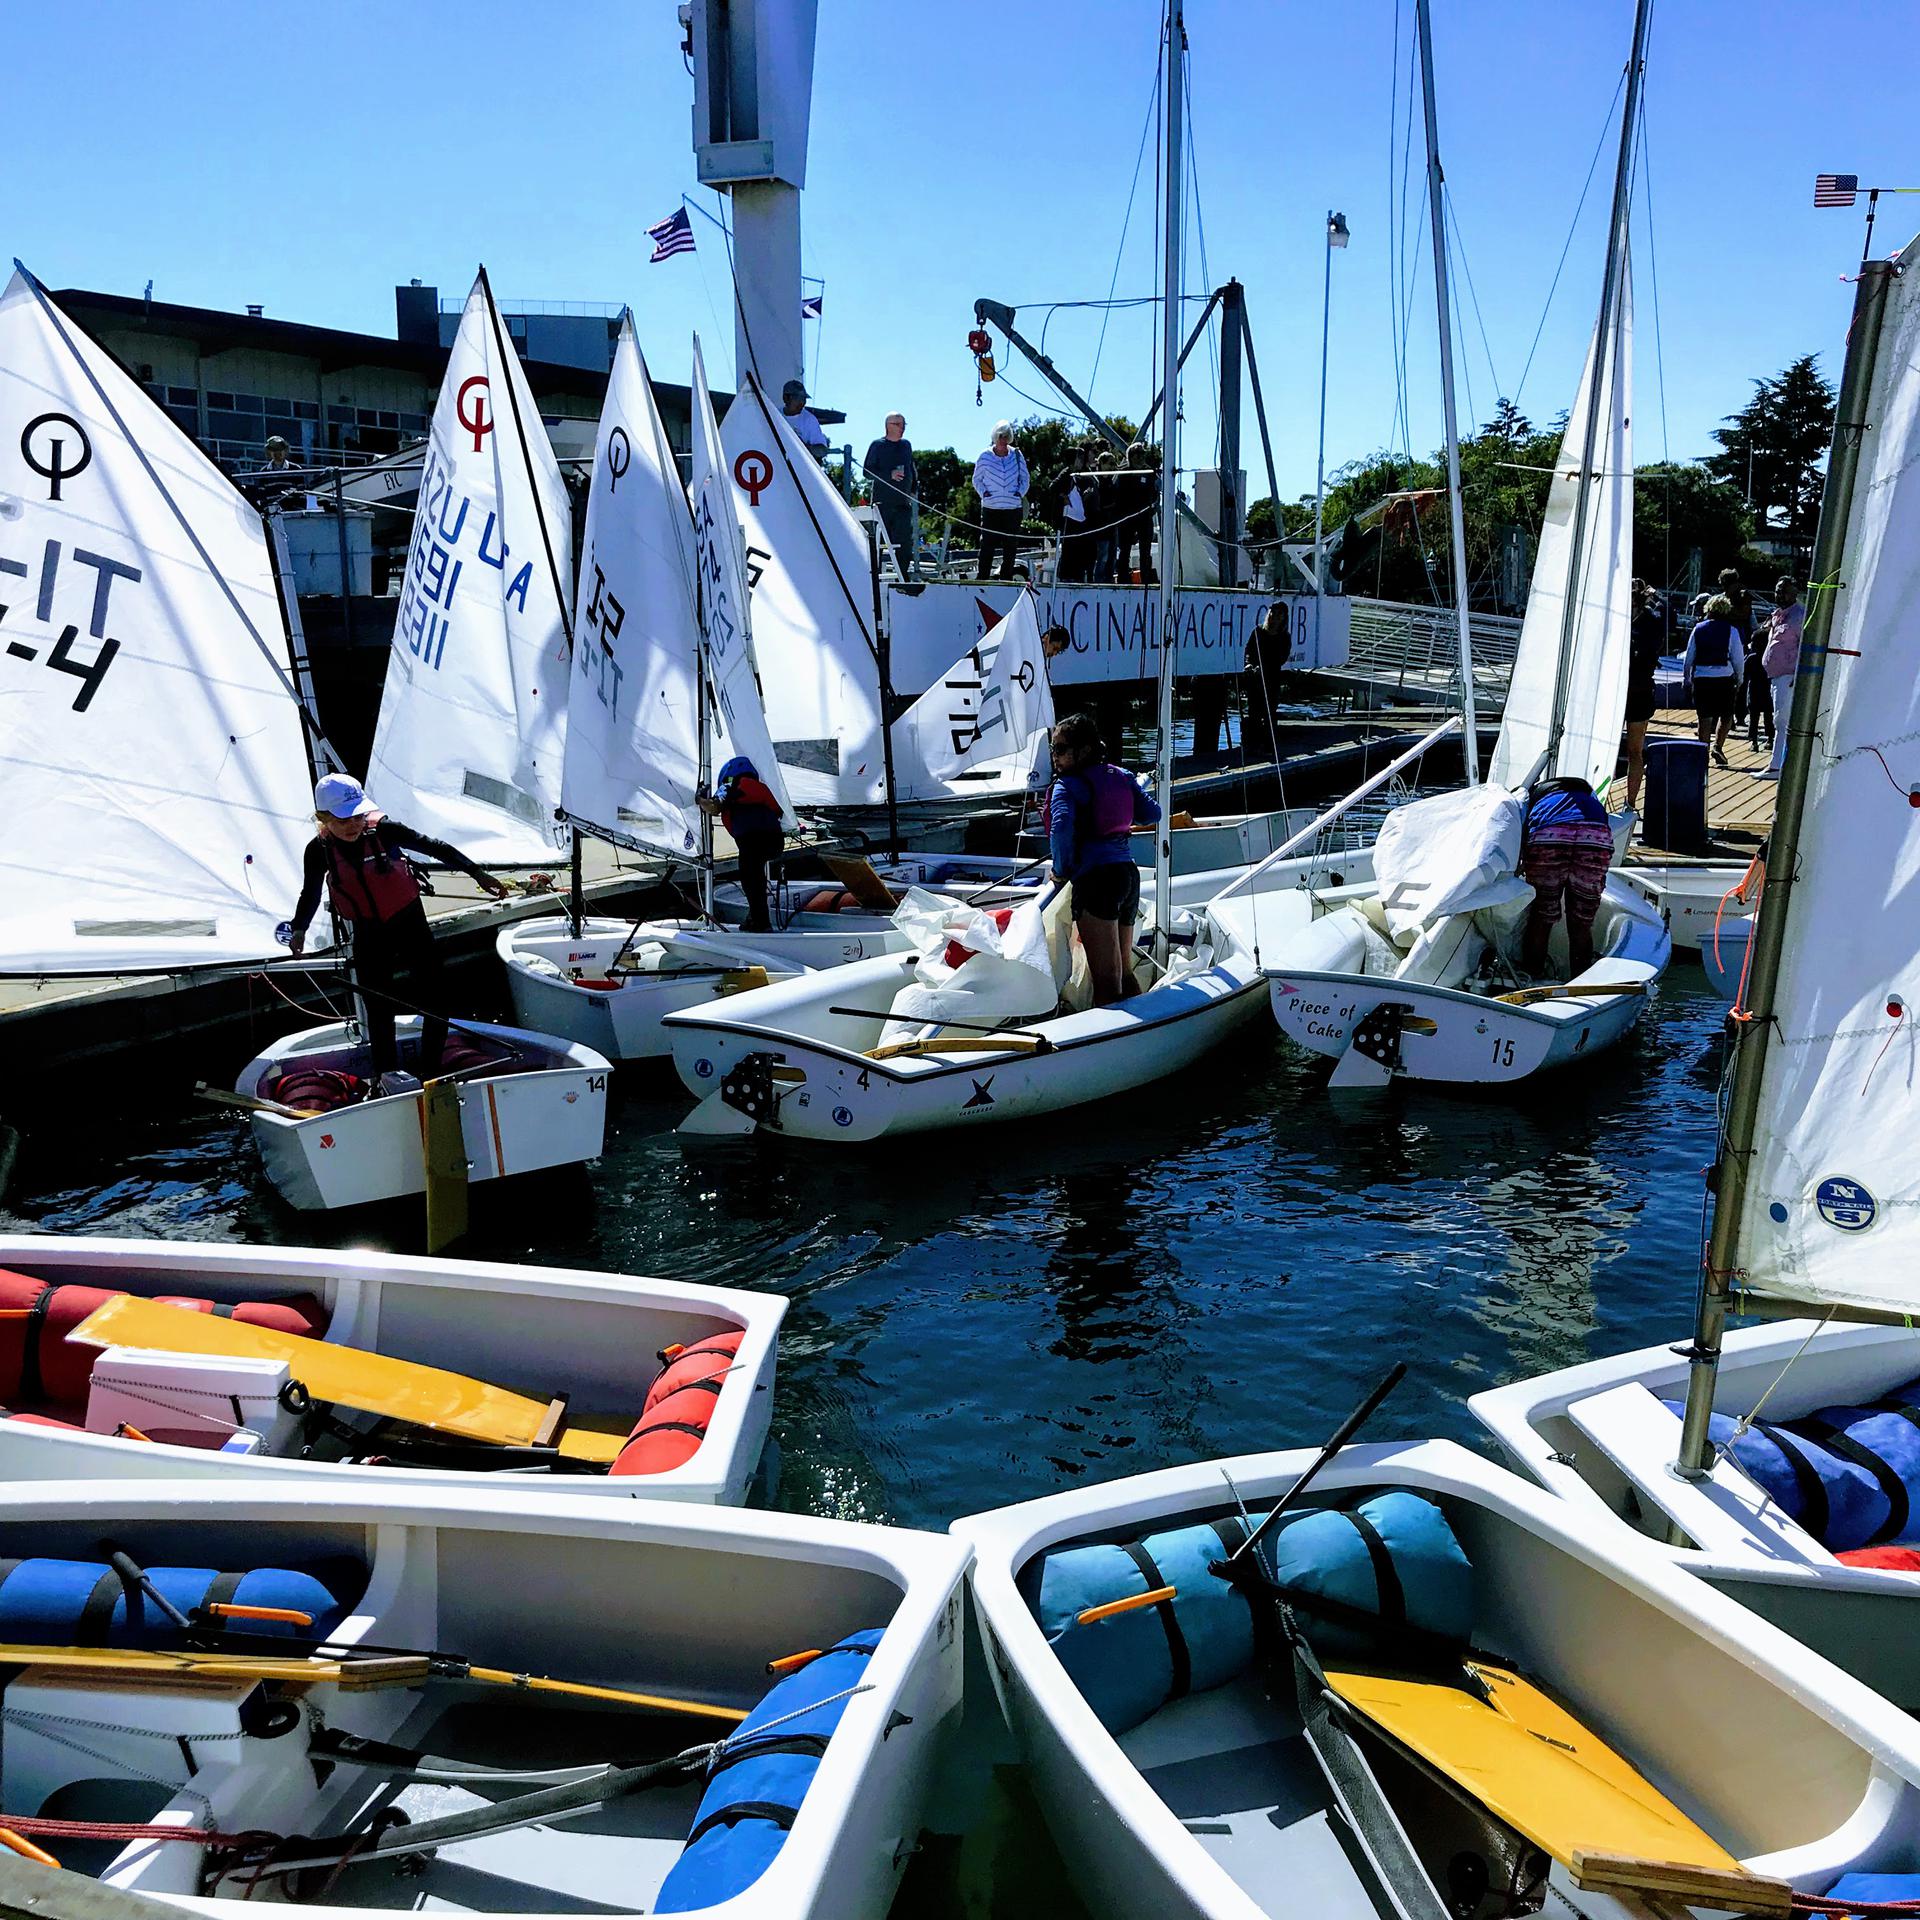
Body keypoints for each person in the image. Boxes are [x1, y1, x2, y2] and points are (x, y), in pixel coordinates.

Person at [287, 774, 509, 1088]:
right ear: (323, 818)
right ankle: (387, 1075)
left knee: (435, 998)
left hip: (409, 922)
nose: (354, 824)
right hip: (368, 931)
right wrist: (299, 930)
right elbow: (310, 892)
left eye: (359, 815)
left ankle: (432, 1071)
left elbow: (436, 847)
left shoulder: (385, 831)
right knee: (378, 1006)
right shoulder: (318, 850)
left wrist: (478, 873)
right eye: (344, 819)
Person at [1045, 712, 1161, 1006]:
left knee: (1106, 983)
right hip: (1127, 876)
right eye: (1052, 750)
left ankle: (1118, 1043)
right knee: (1122, 971)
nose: (1054, 757)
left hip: (1097, 881)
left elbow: (1059, 828)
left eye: (1060, 749)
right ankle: (1145, 1030)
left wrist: (1060, 872)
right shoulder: (1121, 776)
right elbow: (1153, 814)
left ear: (1082, 751)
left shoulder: (1067, 786)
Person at [1518, 775, 1615, 979]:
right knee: (1581, 922)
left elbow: (1521, 838)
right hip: (1595, 835)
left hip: (1549, 833)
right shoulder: (1591, 800)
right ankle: (1581, 982)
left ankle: (1531, 977)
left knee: (1541, 916)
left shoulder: (1534, 798)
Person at [700, 756, 787, 933]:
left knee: (750, 879)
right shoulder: (761, 788)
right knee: (756, 878)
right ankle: (758, 919)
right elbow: (779, 810)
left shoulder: (731, 786)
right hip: (775, 842)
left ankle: (760, 922)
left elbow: (714, 807)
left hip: (753, 842)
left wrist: (699, 799)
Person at [1683, 592, 1745, 766]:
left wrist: (1686, 678)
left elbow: (1689, 657)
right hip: (1724, 677)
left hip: (1702, 678)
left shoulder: (1698, 629)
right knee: (1726, 715)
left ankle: (1702, 750)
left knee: (1704, 717)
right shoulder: (1731, 631)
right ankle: (1718, 746)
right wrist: (1739, 679)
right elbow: (1738, 658)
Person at [1621, 577, 1663, 810]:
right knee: (1634, 750)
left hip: (1633, 690)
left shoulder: (1633, 623)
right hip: (1637, 689)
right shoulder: (1651, 622)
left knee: (1634, 750)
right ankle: (1630, 803)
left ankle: (1630, 802)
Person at [1758, 576, 1805, 780]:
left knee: (1782, 721)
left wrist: (1800, 675)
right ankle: (1777, 764)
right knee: (1779, 720)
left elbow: (1805, 647)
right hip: (1776, 677)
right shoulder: (1777, 615)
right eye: (1777, 590)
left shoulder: (1799, 616)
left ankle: (1777, 766)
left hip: (1789, 676)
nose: (1779, 595)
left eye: (1784, 591)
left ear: (1795, 593)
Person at [972, 421, 1030, 580]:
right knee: (987, 545)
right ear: (995, 438)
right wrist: (985, 494)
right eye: (1000, 437)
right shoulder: (984, 456)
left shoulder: (1017, 455)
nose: (1003, 440)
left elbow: (1025, 478)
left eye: (1006, 437)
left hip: (1012, 508)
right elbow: (977, 480)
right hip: (991, 508)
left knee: (1010, 546)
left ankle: (1006, 577)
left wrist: (1019, 493)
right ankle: (982, 577)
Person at [862, 413, 916, 575]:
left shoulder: (906, 445)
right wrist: (889, 474)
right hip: (882, 503)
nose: (902, 428)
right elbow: (867, 471)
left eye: (904, 424)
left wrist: (913, 488)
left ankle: (902, 577)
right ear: (889, 426)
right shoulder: (877, 445)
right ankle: (874, 576)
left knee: (904, 543)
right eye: (899, 424)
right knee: (877, 542)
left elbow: (911, 467)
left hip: (902, 502)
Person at [1241, 604, 1293, 763]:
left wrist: (1262, 667)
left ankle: (1269, 747)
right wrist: (1249, 664)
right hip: (1255, 679)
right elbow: (1249, 651)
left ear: (1284, 618)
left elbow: (1281, 658)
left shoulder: (1284, 637)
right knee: (1253, 712)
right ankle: (1251, 746)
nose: (1275, 616)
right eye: (1273, 613)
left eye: (1279, 614)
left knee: (1269, 712)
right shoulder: (1258, 632)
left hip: (1271, 678)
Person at [1112, 442, 1157, 585]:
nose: (1142, 457)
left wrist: (1152, 508)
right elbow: (1117, 497)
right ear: (1131, 456)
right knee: (1124, 551)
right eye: (1139, 454)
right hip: (1127, 519)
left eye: (1143, 453)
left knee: (1146, 551)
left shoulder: (1150, 473)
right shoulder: (1124, 473)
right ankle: (1123, 580)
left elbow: (1155, 494)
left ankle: (1146, 581)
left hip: (1144, 518)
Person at [1054, 452, 1096, 583]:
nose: (1081, 461)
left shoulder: (1080, 475)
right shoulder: (1066, 473)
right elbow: (1053, 487)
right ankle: (1066, 576)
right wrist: (1064, 497)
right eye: (1079, 458)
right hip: (1070, 516)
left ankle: (1078, 576)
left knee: (1080, 551)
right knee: (1069, 550)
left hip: (1080, 517)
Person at [781, 379, 828, 463]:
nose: (802, 403)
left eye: (803, 399)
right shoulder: (775, 415)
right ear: (786, 398)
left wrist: (802, 447)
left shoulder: (809, 420)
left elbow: (822, 451)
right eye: (797, 399)